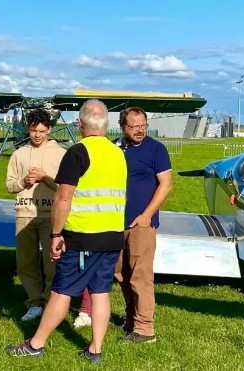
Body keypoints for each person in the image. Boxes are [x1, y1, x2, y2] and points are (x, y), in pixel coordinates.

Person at [5, 99, 127, 364]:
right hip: (113, 234)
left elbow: (63, 197)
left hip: (83, 235)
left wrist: (55, 234)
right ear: (106, 124)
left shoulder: (77, 152)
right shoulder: (118, 153)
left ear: (80, 123)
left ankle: (36, 343)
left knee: (61, 291)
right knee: (100, 292)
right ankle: (95, 348)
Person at [74, 107, 172, 345]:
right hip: (114, 222)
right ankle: (130, 320)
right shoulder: (113, 148)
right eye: (134, 126)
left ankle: (145, 329)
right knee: (121, 274)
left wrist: (147, 215)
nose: (139, 130)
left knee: (140, 276)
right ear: (122, 126)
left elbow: (166, 185)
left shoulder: (156, 149)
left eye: (143, 126)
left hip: (141, 223)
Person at [6, 109, 66, 321]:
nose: (37, 135)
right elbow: (9, 185)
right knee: (25, 263)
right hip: (24, 213)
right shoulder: (18, 154)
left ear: (49, 129)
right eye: (33, 131)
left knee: (53, 263)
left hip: (51, 215)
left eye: (41, 131)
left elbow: (65, 188)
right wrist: (24, 182)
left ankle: (50, 302)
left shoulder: (60, 154)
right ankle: (34, 302)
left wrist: (45, 178)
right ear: (27, 129)